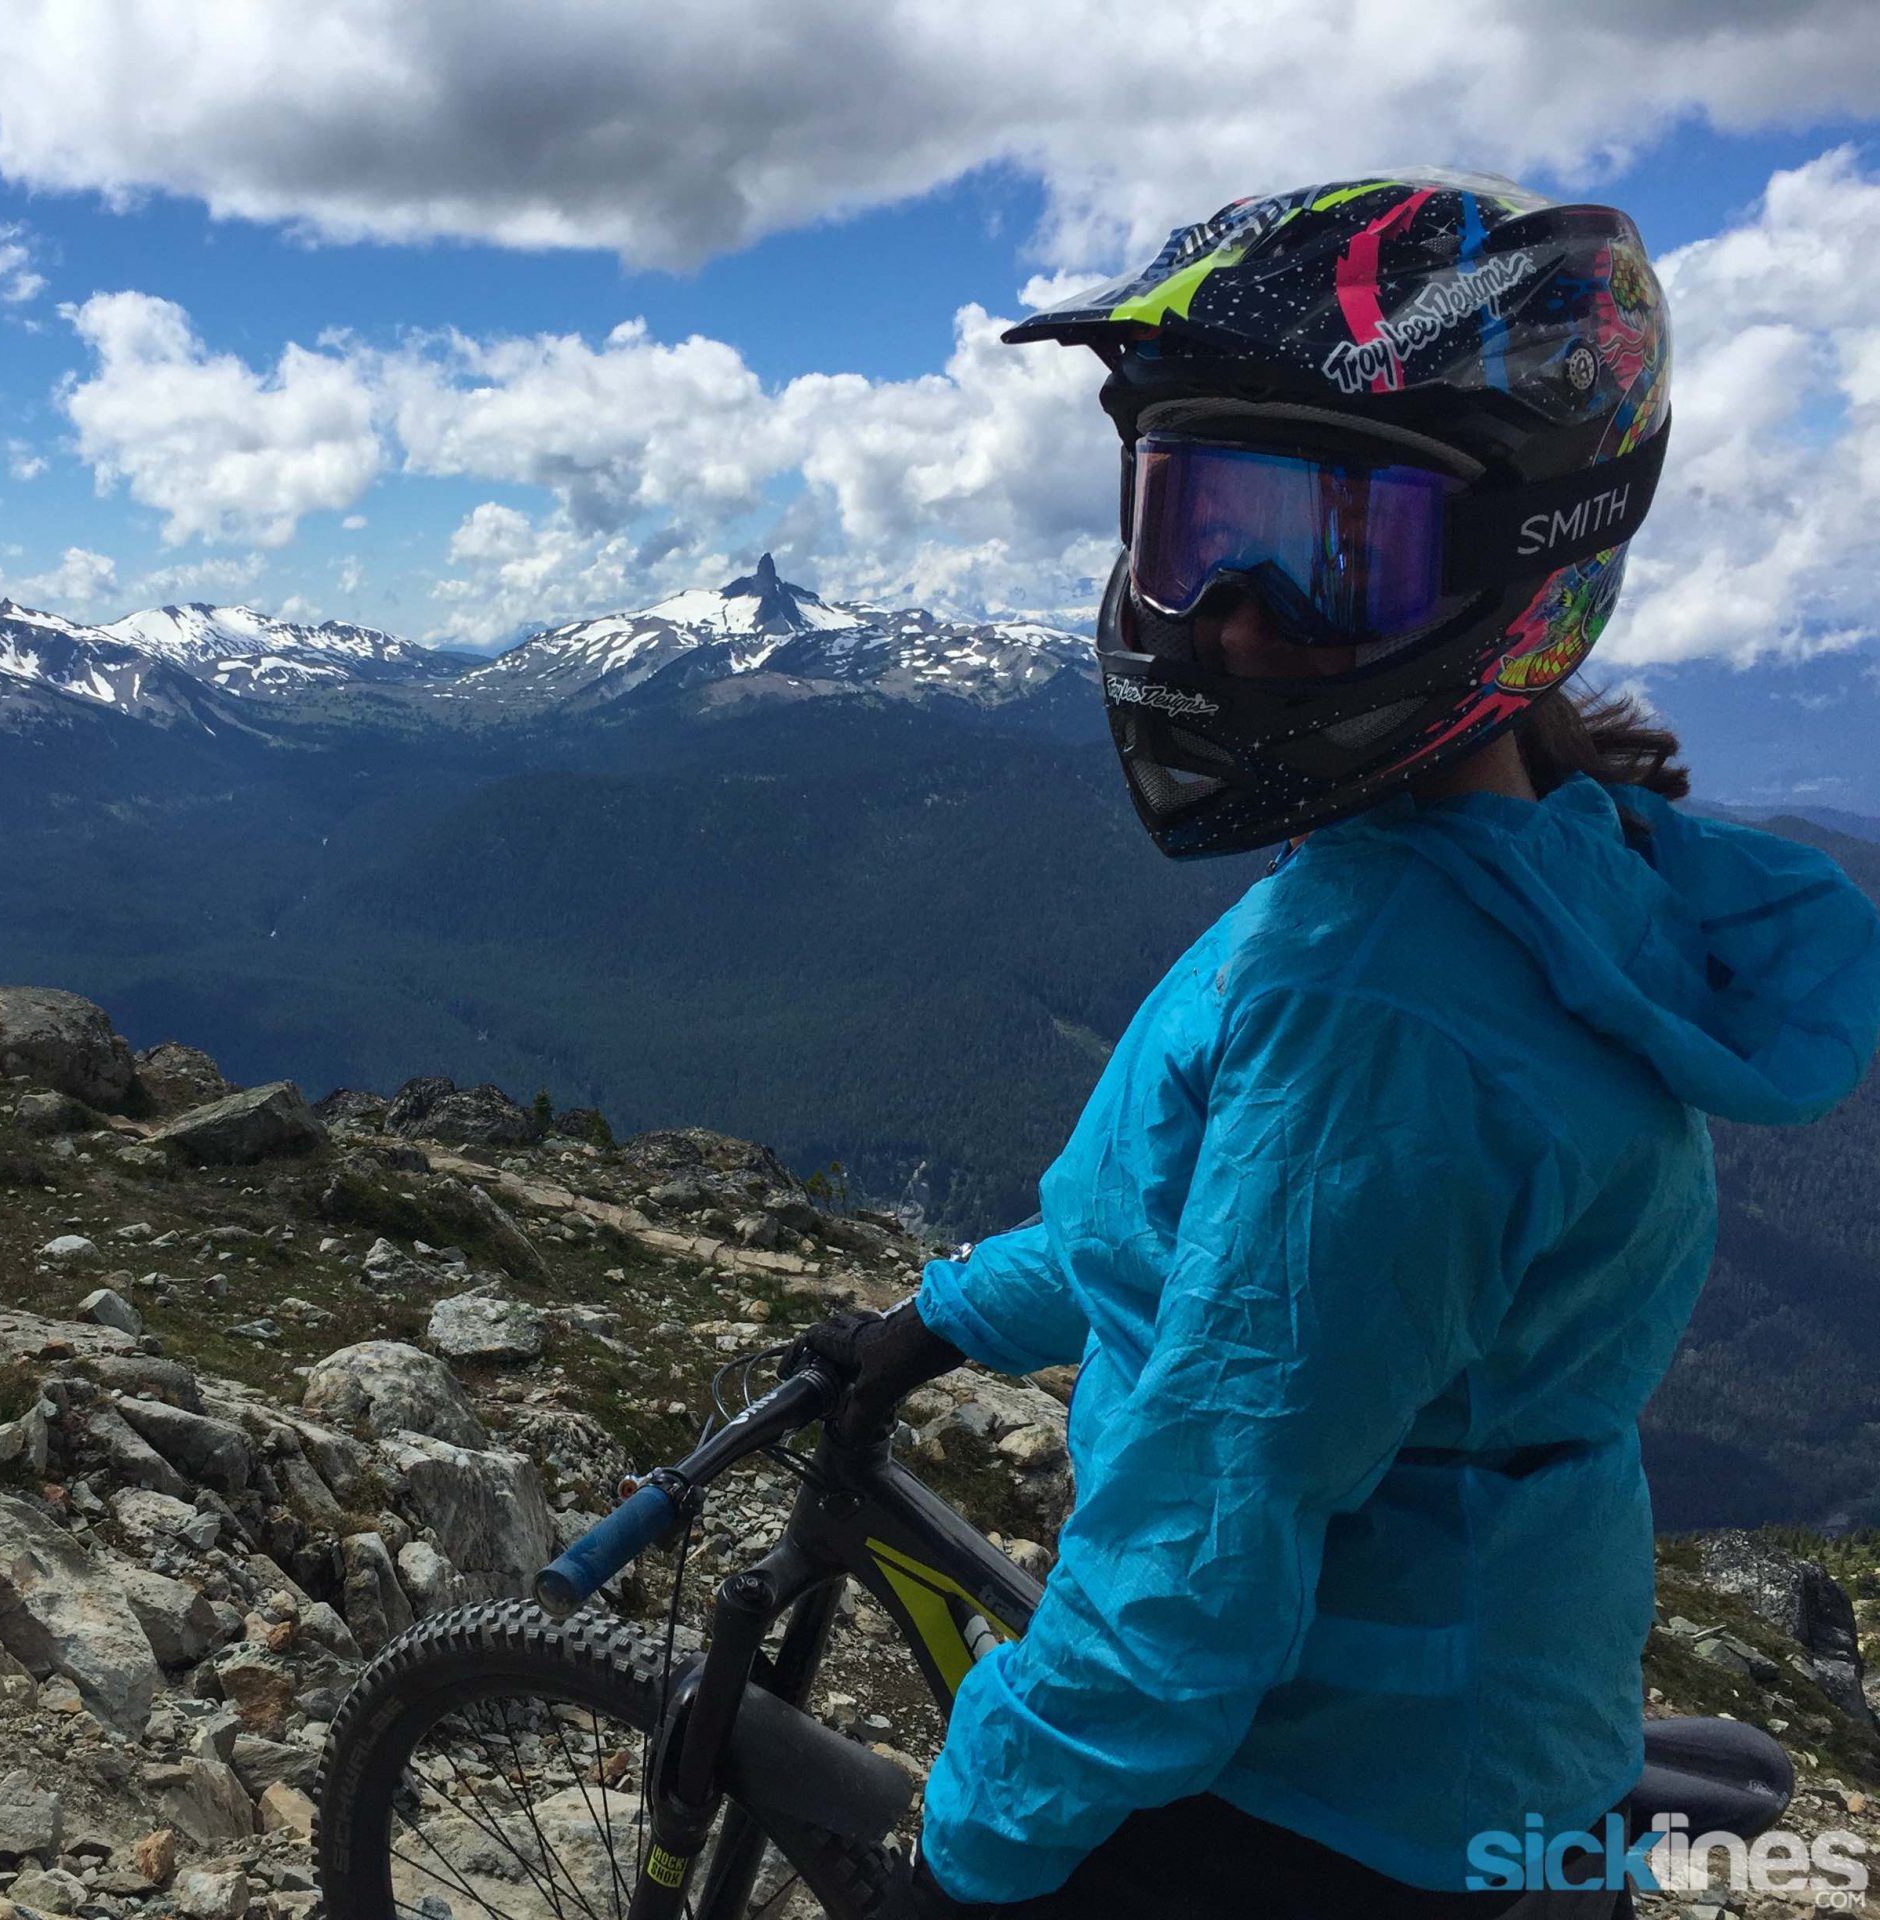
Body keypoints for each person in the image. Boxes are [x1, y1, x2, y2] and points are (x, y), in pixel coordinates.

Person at [792, 171, 1880, 1917]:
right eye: (1194, 521)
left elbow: (1198, 1557)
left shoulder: (1369, 1008)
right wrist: (939, 1319)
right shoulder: (1548, 871)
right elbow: (1188, 1220)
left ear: (1521, 560)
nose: (1227, 611)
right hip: (1492, 1718)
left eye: (1325, 550)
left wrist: (965, 1857)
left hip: (1323, 1798)